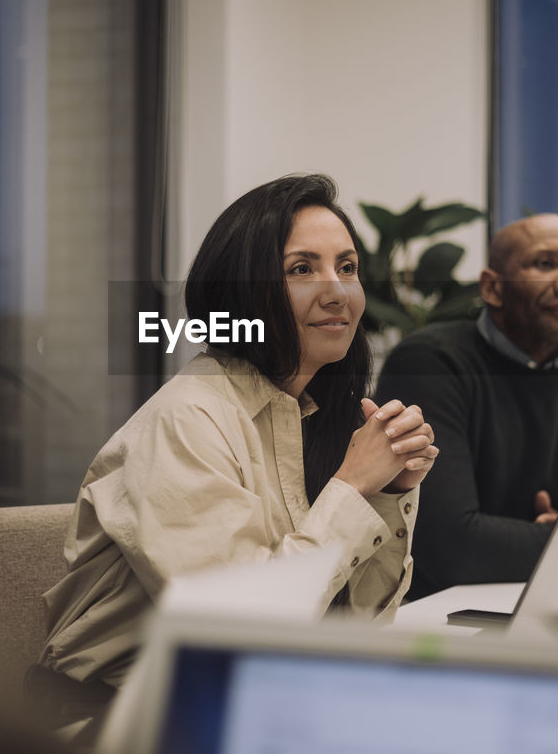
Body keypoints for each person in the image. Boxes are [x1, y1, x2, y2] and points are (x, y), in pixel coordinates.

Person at [35, 174, 438, 738]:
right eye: (302, 270)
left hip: (258, 705)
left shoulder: (312, 414)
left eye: (347, 268)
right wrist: (351, 489)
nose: (338, 292)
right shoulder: (187, 419)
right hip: (125, 722)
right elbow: (236, 632)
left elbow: (358, 626)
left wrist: (390, 494)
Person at [375, 213, 558, 598]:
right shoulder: (431, 364)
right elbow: (451, 545)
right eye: (546, 264)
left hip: (548, 600)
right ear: (492, 288)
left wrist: (546, 542)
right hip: (437, 616)